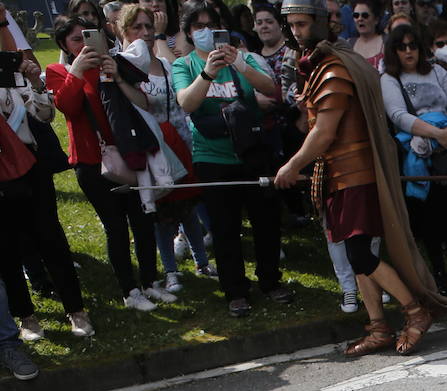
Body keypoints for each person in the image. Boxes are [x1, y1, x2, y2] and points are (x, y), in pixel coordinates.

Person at [276, 0, 447, 355]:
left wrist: (292, 165)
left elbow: (324, 133)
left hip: (354, 173)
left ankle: (416, 312)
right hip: (338, 174)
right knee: (357, 255)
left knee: (360, 252)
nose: (296, 32)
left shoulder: (334, 66)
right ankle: (378, 327)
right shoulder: (328, 61)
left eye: (302, 24)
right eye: (291, 25)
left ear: (321, 23)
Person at [173, 1, 290, 317]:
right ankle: (235, 290)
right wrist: (209, 71)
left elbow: (271, 89)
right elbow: (186, 102)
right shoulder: (184, 65)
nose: (206, 31)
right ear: (188, 33)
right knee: (225, 229)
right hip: (212, 157)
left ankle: (270, 281)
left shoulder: (244, 57)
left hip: (252, 152)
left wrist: (238, 63)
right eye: (198, 26)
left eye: (212, 25)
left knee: (266, 222)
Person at [47, 15, 168, 313]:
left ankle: (150, 281)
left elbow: (143, 99)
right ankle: (130, 290)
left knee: (142, 220)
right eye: (77, 39)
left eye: (90, 37)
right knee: (116, 227)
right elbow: (67, 106)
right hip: (91, 163)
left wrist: (118, 74)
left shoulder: (114, 62)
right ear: (64, 44)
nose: (85, 44)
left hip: (129, 154)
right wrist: (76, 71)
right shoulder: (58, 70)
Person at [0, 26, 90, 339]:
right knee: (9, 244)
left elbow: (44, 115)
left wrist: (35, 82)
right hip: (1, 167)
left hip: (31, 161)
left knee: (50, 236)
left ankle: (76, 310)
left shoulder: (16, 69)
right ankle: (26, 317)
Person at [119, 4, 213, 294]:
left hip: (179, 142)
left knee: (188, 208)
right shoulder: (123, 65)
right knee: (162, 216)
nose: (145, 33)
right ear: (124, 31)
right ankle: (171, 271)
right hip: (152, 150)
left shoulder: (165, 63)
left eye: (149, 26)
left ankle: (201, 261)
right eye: (138, 27)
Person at [379, 23, 447, 294]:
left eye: (413, 45)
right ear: (393, 51)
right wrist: (436, 133)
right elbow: (398, 115)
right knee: (430, 216)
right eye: (402, 47)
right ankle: (437, 271)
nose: (409, 51)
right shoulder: (389, 79)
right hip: (419, 152)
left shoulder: (436, 71)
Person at [349, 0, 384, 69]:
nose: (360, 19)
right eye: (356, 15)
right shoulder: (348, 44)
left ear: (376, 20)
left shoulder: (386, 43)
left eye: (365, 15)